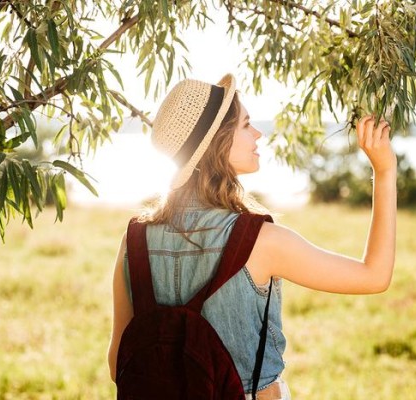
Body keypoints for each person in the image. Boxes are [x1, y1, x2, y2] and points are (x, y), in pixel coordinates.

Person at [107, 73, 397, 399]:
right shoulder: (260, 240)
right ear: (218, 142)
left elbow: (118, 359)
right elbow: (374, 276)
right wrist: (384, 172)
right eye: (246, 125)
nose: (258, 134)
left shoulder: (134, 241)